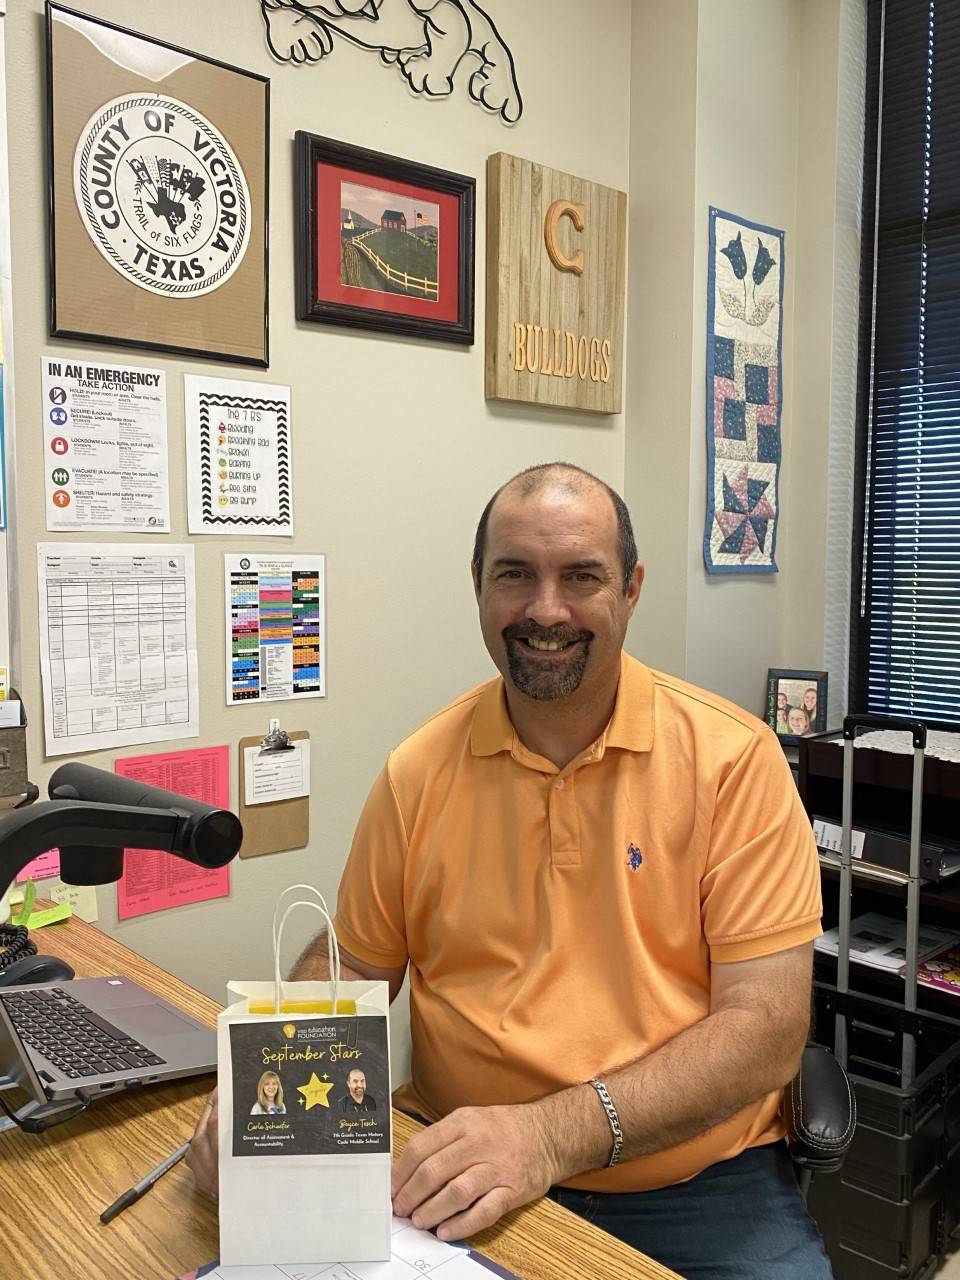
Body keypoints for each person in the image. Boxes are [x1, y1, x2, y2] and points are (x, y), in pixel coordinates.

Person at [189, 463, 828, 1279]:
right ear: (479, 588)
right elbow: (352, 962)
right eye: (515, 575)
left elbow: (766, 1031)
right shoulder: (418, 771)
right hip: (457, 1172)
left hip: (694, 1184)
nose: (546, 610)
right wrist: (262, 1090)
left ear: (631, 589)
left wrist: (548, 1136)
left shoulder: (736, 763)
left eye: (582, 577)